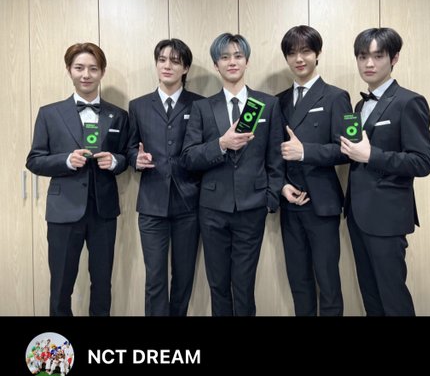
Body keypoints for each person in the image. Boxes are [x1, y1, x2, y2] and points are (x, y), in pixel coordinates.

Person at [181, 33, 284, 316]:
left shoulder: (268, 104)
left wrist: (270, 198)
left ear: (247, 61)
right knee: (218, 285)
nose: (232, 62)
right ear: (216, 65)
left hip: (253, 208)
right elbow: (188, 157)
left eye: (238, 56)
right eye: (225, 57)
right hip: (212, 209)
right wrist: (221, 144)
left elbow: (275, 158)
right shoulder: (202, 107)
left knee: (244, 286)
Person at [26, 42, 129, 316]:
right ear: (69, 70)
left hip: (103, 212)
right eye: (79, 68)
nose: (86, 74)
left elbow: (125, 156)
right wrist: (65, 161)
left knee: (102, 285)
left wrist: (115, 162)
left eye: (93, 69)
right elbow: (34, 160)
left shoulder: (119, 115)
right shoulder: (49, 113)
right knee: (61, 286)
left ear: (102, 72)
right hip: (63, 212)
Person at [340, 28, 430, 316]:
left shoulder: (409, 102)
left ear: (394, 58)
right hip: (357, 215)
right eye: (362, 57)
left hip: (387, 218)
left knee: (393, 299)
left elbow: (422, 162)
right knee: (371, 297)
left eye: (378, 56)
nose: (368, 63)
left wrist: (372, 156)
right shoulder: (359, 105)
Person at [277, 25, 352, 316]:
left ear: (317, 53)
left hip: (322, 205)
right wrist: (282, 185)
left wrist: (305, 152)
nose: (299, 59)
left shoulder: (337, 97)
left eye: (306, 51)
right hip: (290, 203)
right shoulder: (278, 100)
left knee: (328, 282)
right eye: (292, 53)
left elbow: (348, 151)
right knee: (299, 283)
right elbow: (271, 154)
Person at [128, 39, 203, 316]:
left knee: (183, 277)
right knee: (155, 278)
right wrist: (135, 159)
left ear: (185, 68)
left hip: (189, 203)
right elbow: (129, 147)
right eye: (162, 60)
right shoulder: (138, 106)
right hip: (152, 204)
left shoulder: (200, 104)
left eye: (174, 61)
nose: (167, 66)